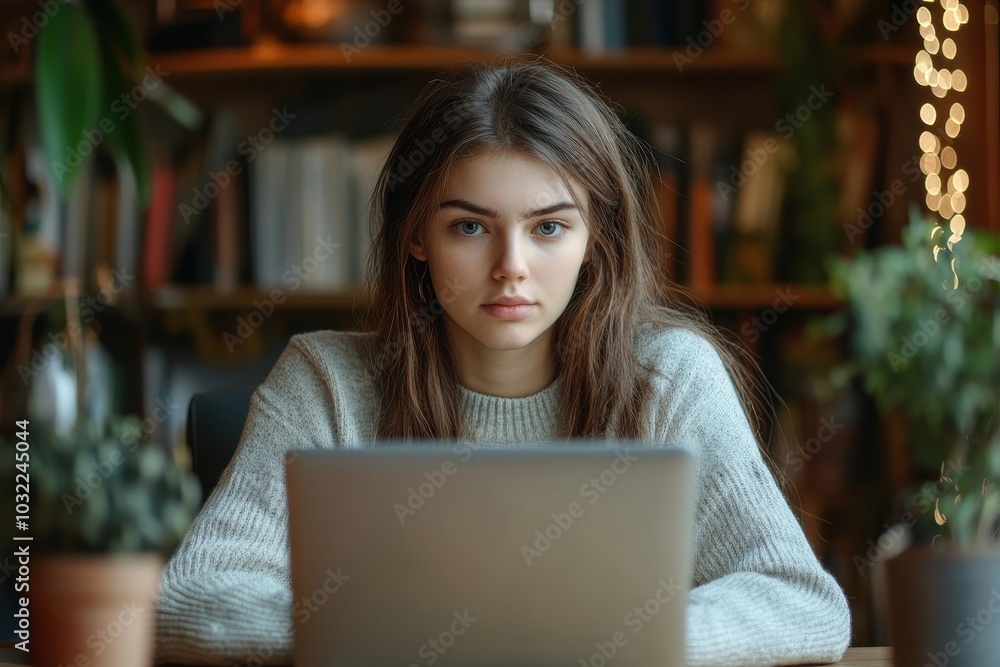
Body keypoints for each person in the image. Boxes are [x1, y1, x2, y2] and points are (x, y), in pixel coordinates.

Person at [154, 58, 851, 666]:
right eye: (469, 227)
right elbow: (189, 598)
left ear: (595, 239)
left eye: (549, 227)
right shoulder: (327, 382)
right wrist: (410, 636)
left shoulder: (670, 376)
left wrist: (613, 640)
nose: (511, 268)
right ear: (417, 237)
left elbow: (800, 597)